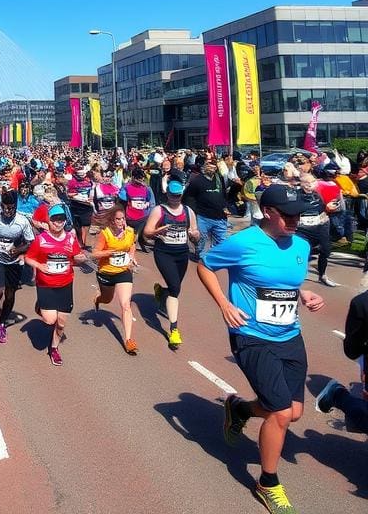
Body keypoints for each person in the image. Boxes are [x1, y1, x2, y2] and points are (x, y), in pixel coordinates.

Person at [197, 186, 325, 514]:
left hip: (289, 336)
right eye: (288, 215)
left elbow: (284, 283)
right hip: (251, 336)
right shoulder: (243, 242)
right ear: (268, 212)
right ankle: (267, 483)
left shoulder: (300, 244)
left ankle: (239, 410)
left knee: (293, 412)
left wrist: (304, 294)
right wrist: (224, 303)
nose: (296, 220)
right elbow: (205, 265)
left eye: (298, 214)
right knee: (280, 412)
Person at [23, 203, 89, 365]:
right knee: (50, 320)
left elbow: (76, 257)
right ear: (48, 221)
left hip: (65, 284)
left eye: (61, 219)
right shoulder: (41, 240)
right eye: (54, 219)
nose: (58, 222)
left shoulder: (70, 238)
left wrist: (81, 258)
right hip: (46, 284)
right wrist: (40, 266)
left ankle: (54, 348)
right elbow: (28, 258)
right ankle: (41, 306)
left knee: (61, 323)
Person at [144, 180, 200, 350]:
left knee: (174, 287)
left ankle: (162, 292)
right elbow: (146, 232)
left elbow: (196, 235)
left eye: (178, 196)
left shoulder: (188, 211)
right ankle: (174, 330)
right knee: (175, 288)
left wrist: (194, 234)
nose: (175, 199)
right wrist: (157, 231)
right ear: (167, 194)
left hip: (181, 253)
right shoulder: (159, 210)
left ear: (181, 195)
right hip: (163, 253)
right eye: (172, 195)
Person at [0, 189, 34, 345]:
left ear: (15, 207)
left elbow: (30, 242)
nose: (7, 210)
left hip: (13, 261)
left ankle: (3, 323)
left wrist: (18, 250)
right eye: (4, 207)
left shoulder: (22, 221)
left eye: (11, 207)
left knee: (10, 296)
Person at [315, 289, 368, 434]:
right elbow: (353, 349)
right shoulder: (362, 303)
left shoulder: (362, 302)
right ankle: (338, 395)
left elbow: (352, 351)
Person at [92, 208, 140, 354]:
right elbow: (95, 254)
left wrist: (131, 258)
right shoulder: (105, 233)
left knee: (126, 305)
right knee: (107, 299)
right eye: (118, 219)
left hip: (123, 272)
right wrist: (109, 252)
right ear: (112, 221)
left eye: (123, 218)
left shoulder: (130, 231)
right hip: (106, 272)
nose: (121, 222)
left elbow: (132, 245)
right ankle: (98, 298)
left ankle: (128, 340)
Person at [295, 173, 337, 287]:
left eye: (312, 182)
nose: (309, 185)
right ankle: (297, 276)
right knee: (303, 251)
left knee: (325, 251)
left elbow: (327, 208)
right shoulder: (295, 195)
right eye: (306, 183)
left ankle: (322, 275)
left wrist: (329, 208)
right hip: (302, 229)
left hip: (321, 226)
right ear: (301, 183)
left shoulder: (319, 194)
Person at [184, 156, 230, 257]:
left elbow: (224, 195)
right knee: (201, 241)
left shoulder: (219, 179)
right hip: (203, 216)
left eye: (214, 165)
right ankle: (200, 258)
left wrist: (225, 206)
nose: (211, 167)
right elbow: (189, 197)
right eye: (209, 164)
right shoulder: (197, 181)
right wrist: (192, 213)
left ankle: (217, 258)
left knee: (222, 241)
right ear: (204, 166)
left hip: (220, 216)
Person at [120, 167, 154, 252]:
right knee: (130, 235)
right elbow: (122, 201)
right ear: (133, 177)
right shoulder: (126, 187)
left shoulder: (146, 188)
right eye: (139, 178)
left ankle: (134, 247)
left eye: (142, 178)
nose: (141, 180)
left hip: (142, 217)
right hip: (129, 216)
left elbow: (150, 201)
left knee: (135, 236)